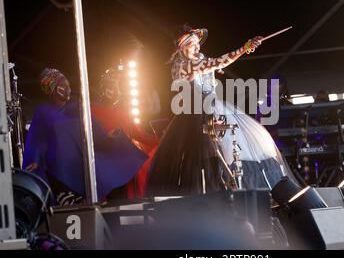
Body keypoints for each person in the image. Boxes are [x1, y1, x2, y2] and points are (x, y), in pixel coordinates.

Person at [147, 25, 296, 196]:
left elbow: (212, 67)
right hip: (196, 114)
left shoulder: (196, 60)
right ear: (182, 47)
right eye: (192, 44)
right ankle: (208, 195)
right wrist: (244, 48)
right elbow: (219, 62)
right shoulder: (185, 65)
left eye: (198, 43)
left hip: (209, 108)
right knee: (203, 154)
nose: (197, 47)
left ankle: (229, 190)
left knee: (227, 151)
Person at [23, 68, 149, 205]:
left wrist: (108, 138)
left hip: (79, 162)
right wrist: (35, 158)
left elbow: (93, 129)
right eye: (64, 86)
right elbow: (36, 139)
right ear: (54, 89)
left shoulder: (76, 108)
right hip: (57, 166)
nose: (68, 89)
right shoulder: (44, 111)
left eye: (69, 86)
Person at [91, 68, 159, 199]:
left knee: (144, 160)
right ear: (103, 89)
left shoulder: (123, 111)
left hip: (124, 155)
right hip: (104, 158)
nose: (116, 91)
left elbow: (139, 134)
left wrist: (162, 140)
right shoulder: (93, 111)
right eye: (111, 87)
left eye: (118, 87)